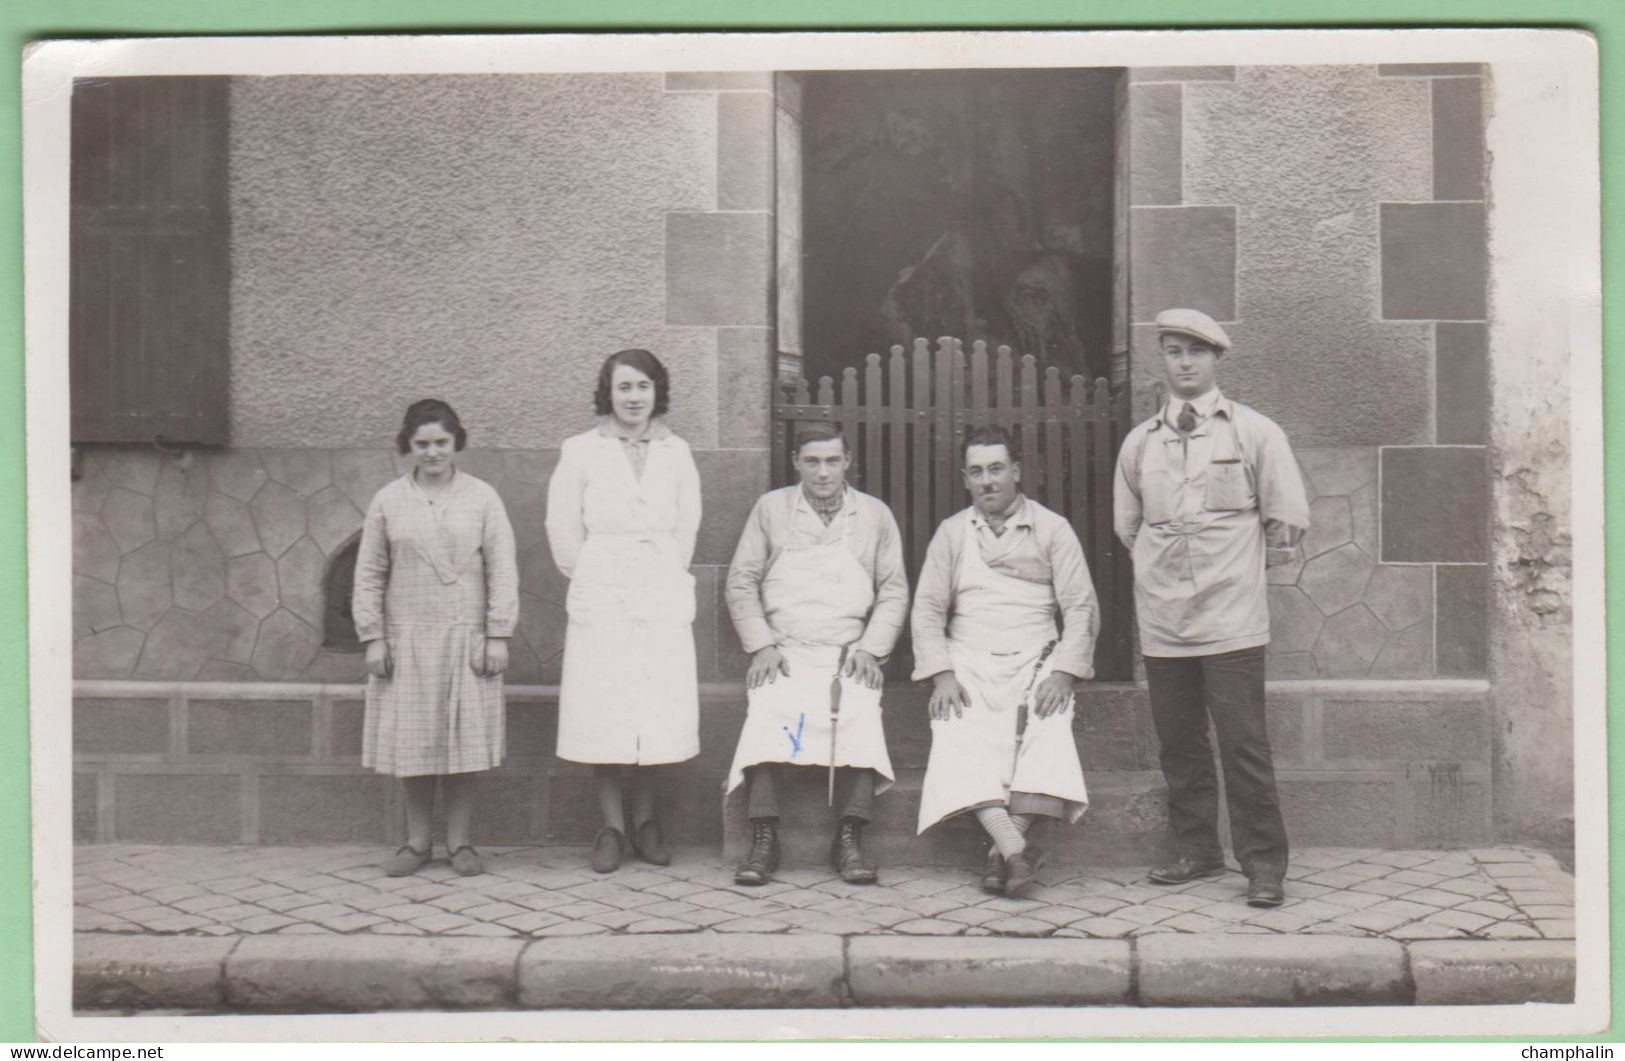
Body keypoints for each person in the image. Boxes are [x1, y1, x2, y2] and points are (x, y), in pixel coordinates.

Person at [1113, 307, 1310, 908]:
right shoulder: (1140, 443)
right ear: (1163, 361)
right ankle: (1197, 851)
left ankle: (1264, 865)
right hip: (1165, 623)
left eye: (1196, 352)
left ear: (1216, 359)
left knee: (1244, 744)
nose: (1186, 363)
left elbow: (1289, 520)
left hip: (1232, 622)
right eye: (1174, 351)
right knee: (1180, 744)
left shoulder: (1254, 433)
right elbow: (1129, 529)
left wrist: (1237, 569)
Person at [911, 425, 1098, 897]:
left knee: (1049, 727)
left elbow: (1080, 607)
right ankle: (1017, 850)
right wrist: (942, 675)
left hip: (1036, 658)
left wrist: (1063, 672)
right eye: (976, 472)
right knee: (953, 729)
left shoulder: (1053, 529)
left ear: (1015, 471)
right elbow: (928, 609)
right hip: (968, 660)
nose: (987, 480)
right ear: (965, 479)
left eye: (996, 469)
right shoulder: (952, 533)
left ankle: (1001, 853)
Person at [723, 422, 909, 886]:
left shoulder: (874, 516)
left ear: (847, 462)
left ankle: (849, 837)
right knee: (768, 706)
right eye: (812, 461)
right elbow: (742, 580)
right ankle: (764, 836)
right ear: (796, 463)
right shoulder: (770, 510)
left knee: (862, 707)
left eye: (831, 461)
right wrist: (762, 645)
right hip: (785, 649)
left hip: (847, 652)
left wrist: (871, 649)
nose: (822, 472)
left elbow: (893, 591)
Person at [546, 349, 702, 873]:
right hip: (604, 591)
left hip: (658, 590)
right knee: (605, 707)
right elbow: (563, 530)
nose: (634, 398)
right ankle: (611, 826)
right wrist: (598, 572)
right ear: (607, 394)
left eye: (642, 387)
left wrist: (663, 574)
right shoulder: (580, 451)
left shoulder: (676, 452)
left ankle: (647, 821)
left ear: (657, 391)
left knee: (655, 708)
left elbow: (686, 526)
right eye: (624, 388)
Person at [353, 398, 519, 879]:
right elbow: (369, 573)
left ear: (456, 443)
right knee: (415, 743)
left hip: (465, 638)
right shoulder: (388, 500)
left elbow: (503, 568)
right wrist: (374, 638)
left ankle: (460, 842)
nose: (432, 453)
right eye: (422, 444)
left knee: (462, 744)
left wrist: (497, 633)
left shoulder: (482, 498)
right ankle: (418, 841)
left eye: (441, 443)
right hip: (407, 640)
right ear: (409, 444)